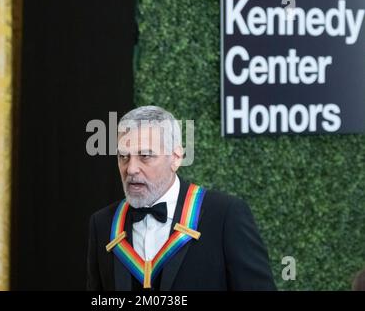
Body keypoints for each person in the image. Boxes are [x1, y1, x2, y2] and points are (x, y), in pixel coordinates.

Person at [86, 105, 276, 291]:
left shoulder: (225, 216)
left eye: (145, 155)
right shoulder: (103, 223)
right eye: (123, 157)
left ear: (176, 158)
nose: (131, 168)